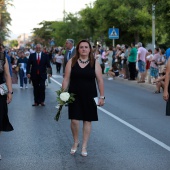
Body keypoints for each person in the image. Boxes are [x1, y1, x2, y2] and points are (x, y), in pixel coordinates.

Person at [62, 39, 104, 157]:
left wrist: (102, 96)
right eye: (81, 47)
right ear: (78, 49)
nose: (84, 49)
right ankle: (76, 141)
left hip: (90, 96)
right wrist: (62, 94)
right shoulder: (72, 61)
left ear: (90, 49)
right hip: (74, 95)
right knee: (74, 120)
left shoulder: (94, 63)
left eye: (86, 47)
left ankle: (84, 145)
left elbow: (100, 81)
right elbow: (66, 79)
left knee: (87, 120)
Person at [0, 43, 13, 160]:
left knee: (0, 120)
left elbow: (7, 75)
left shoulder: (3, 57)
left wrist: (10, 92)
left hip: (0, 93)